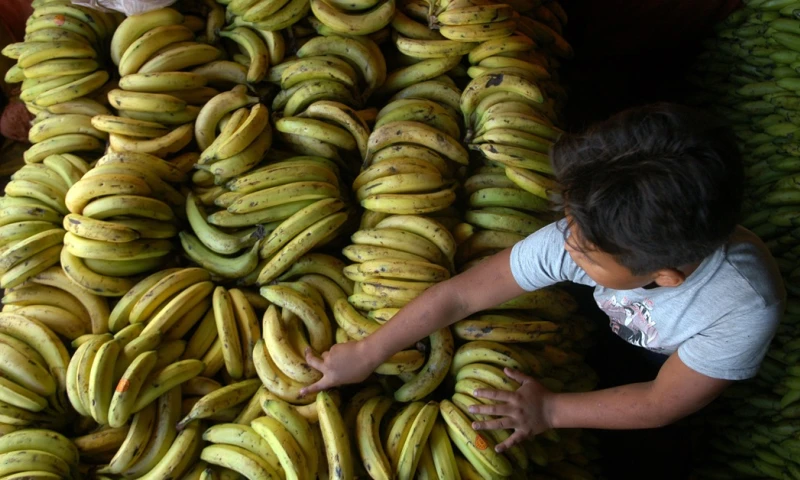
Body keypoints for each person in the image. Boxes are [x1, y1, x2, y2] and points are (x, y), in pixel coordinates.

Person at [301, 103, 785, 453]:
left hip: (674, 360)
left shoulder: (742, 308)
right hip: (626, 313)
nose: (567, 245)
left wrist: (550, 410)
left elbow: (660, 401)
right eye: (567, 224)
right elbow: (462, 296)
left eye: (586, 254)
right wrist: (368, 352)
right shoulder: (589, 228)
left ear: (666, 276)